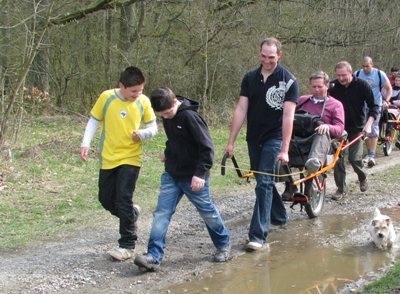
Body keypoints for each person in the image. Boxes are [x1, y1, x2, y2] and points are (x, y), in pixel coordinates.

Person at [133, 88, 231, 271]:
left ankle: (223, 244)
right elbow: (175, 139)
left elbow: (207, 148)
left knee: (207, 212)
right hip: (172, 174)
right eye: (162, 114)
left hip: (194, 177)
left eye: (168, 112)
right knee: (162, 213)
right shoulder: (167, 115)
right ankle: (154, 256)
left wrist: (200, 174)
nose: (166, 117)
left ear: (175, 102)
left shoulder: (190, 118)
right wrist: (168, 152)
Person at [224, 37, 298, 252]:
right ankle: (280, 215)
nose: (267, 60)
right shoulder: (249, 78)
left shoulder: (289, 81)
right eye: (263, 56)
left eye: (271, 57)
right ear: (259, 54)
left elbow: (288, 117)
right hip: (253, 137)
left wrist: (284, 149)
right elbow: (241, 109)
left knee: (264, 182)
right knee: (262, 179)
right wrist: (231, 142)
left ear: (280, 56)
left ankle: (257, 235)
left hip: (274, 137)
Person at [80, 67, 157, 262]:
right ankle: (132, 213)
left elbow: (153, 127)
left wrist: (143, 133)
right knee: (106, 200)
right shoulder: (107, 97)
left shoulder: (144, 102)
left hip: (131, 157)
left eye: (140, 90)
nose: (137, 94)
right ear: (121, 86)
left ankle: (127, 246)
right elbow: (93, 121)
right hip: (108, 157)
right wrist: (85, 143)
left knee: (123, 197)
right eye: (133, 91)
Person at [282, 71, 345, 200]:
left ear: (327, 86)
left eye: (320, 86)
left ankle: (313, 165)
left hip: (321, 142)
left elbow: (339, 128)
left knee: (322, 133)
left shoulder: (336, 105)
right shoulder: (302, 101)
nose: (317, 90)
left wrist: (327, 126)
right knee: (279, 142)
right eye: (314, 87)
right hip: (300, 140)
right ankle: (289, 184)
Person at [328, 61, 379, 200]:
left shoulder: (362, 85)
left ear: (351, 73)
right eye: (338, 75)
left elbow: (374, 107)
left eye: (344, 75)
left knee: (354, 159)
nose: (341, 78)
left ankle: (362, 177)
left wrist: (369, 124)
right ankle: (341, 189)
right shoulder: (332, 87)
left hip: (357, 128)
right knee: (337, 159)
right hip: (338, 128)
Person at [355, 57, 391, 167]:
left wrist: (387, 101)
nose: (365, 68)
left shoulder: (379, 74)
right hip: (361, 105)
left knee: (374, 128)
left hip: (375, 105)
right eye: (363, 66)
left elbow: (389, 88)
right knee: (364, 129)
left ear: (372, 64)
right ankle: (368, 152)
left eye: (367, 66)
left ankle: (372, 154)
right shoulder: (357, 74)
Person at [383, 72, 400, 137]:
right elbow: (381, 97)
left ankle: (388, 133)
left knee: (390, 114)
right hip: (386, 107)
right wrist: (385, 102)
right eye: (396, 80)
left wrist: (392, 102)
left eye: (399, 81)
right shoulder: (388, 89)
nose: (397, 82)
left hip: (398, 110)